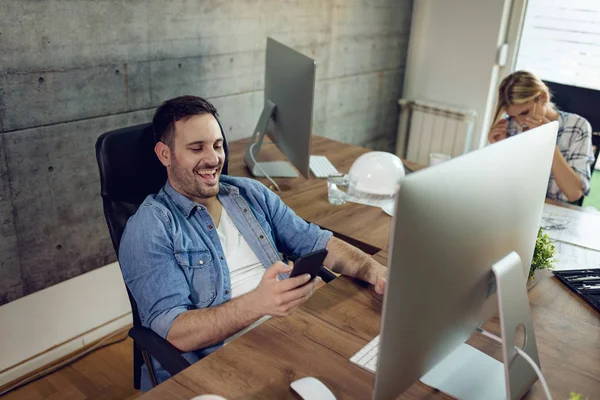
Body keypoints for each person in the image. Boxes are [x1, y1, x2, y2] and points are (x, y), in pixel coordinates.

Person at [118, 95, 387, 391]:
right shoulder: (150, 227)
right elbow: (174, 332)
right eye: (196, 148)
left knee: (373, 373)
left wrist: (375, 271)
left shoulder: (248, 193)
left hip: (289, 329)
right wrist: (258, 304)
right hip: (224, 362)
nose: (213, 158)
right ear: (164, 154)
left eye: (218, 145)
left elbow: (315, 240)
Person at [488, 70, 594, 203]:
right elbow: (502, 191)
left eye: (524, 112)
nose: (520, 122)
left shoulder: (577, 126)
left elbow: (574, 193)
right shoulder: (510, 127)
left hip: (558, 213)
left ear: (543, 97)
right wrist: (499, 149)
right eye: (513, 116)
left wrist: (549, 144)